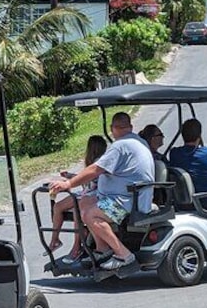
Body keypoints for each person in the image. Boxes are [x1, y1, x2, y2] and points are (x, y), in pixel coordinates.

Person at [49, 112, 154, 271]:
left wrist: (69, 183)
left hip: (126, 203)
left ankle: (124, 255)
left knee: (90, 215)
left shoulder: (121, 146)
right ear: (130, 127)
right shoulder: (137, 142)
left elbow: (96, 169)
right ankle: (102, 250)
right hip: (126, 197)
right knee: (83, 203)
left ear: (113, 128)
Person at [48, 135, 107, 260]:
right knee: (58, 206)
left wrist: (70, 182)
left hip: (93, 194)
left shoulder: (99, 161)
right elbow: (86, 178)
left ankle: (76, 246)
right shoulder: (95, 161)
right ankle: (55, 240)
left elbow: (90, 179)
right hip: (87, 192)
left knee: (75, 209)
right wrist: (71, 176)